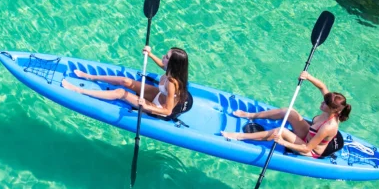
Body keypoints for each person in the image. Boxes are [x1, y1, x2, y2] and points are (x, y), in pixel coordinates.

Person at [221, 71, 351, 158]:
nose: (322, 103)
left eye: (325, 104)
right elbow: (322, 87)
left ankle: (239, 136)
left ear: (332, 110)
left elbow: (306, 148)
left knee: (281, 131)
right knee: (288, 112)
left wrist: (284, 142)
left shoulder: (328, 126)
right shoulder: (332, 106)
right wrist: (308, 77)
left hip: (310, 150)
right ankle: (250, 115)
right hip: (307, 136)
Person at [61, 46, 189, 118]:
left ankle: (79, 90)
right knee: (125, 81)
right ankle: (90, 76)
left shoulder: (172, 83)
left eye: (166, 57)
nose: (163, 57)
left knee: (121, 93)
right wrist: (150, 54)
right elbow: (163, 65)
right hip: (158, 95)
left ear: (173, 63)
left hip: (158, 107)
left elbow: (168, 111)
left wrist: (146, 106)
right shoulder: (171, 70)